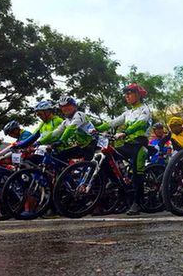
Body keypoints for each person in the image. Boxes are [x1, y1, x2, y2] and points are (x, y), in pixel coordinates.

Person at [95, 83, 152, 215]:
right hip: (127, 144)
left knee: (138, 173)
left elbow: (141, 123)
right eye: (126, 94)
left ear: (138, 95)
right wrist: (96, 129)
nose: (127, 96)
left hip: (140, 144)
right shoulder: (127, 112)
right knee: (105, 159)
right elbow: (112, 123)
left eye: (130, 93)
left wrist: (125, 132)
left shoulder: (145, 109)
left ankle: (137, 203)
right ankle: (120, 186)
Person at [40, 96, 96, 162]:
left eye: (68, 105)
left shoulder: (80, 115)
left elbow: (71, 129)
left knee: (89, 167)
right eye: (62, 107)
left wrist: (61, 141)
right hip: (82, 146)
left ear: (75, 106)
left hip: (92, 144)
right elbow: (56, 132)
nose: (65, 108)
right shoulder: (66, 121)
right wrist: (39, 142)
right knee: (59, 155)